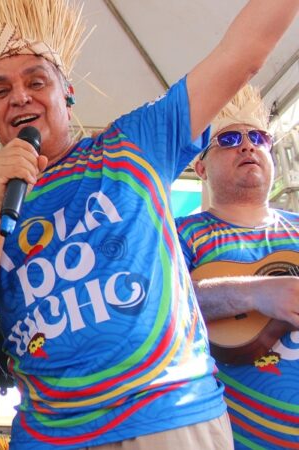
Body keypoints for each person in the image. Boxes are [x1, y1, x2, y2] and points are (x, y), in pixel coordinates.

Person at [0, 0, 299, 448]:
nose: (20, 96)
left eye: (36, 81)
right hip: (51, 435)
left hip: (169, 419)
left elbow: (243, 54)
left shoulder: (134, 142)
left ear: (67, 93)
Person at [176, 85, 299, 449]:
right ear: (200, 167)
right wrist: (255, 293)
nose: (247, 146)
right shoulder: (181, 234)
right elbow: (163, 308)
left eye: (258, 137)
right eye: (229, 139)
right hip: (230, 438)